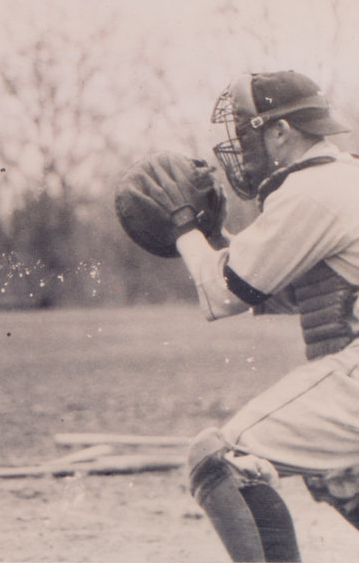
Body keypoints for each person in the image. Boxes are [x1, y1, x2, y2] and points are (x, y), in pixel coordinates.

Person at [176, 70, 359, 561]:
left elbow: (223, 293)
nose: (242, 147)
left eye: (247, 134)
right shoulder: (342, 175)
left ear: (280, 131)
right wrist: (216, 240)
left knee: (223, 459)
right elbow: (291, 291)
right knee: (340, 475)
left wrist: (182, 229)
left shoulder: (312, 187)